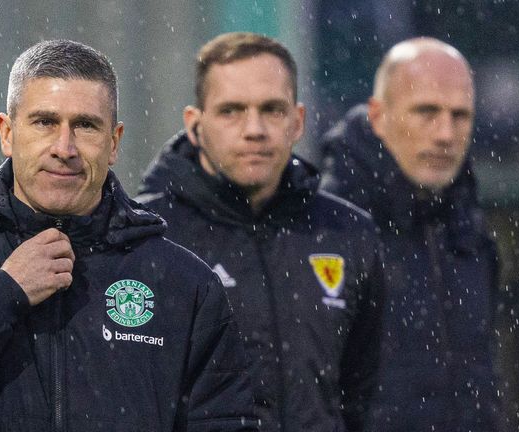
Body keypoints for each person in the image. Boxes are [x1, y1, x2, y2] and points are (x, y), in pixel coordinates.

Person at [0, 39, 260, 431]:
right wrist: (0, 295)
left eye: (86, 126)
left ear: (114, 143)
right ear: (7, 132)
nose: (64, 147)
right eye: (44, 122)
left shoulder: (184, 283)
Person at [136, 32, 383, 432]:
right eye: (232, 111)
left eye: (272, 110)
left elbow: (362, 394)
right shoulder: (148, 236)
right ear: (195, 126)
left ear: (297, 121)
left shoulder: (347, 232)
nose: (255, 129)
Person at [315, 37, 504, 431]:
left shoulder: (469, 232)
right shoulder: (324, 232)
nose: (445, 134)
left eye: (460, 115)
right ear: (378, 116)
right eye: (426, 111)